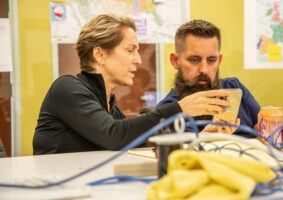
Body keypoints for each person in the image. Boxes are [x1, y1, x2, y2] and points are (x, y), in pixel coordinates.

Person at [33, 14, 230, 155]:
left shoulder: (108, 103)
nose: (138, 60)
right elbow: (113, 135)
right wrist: (180, 108)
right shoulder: (66, 89)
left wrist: (199, 138)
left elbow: (135, 142)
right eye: (130, 50)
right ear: (99, 54)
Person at [157, 19, 260, 135]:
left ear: (219, 60)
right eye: (194, 60)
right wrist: (203, 138)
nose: (204, 69)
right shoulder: (168, 111)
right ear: (175, 61)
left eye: (211, 60)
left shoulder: (234, 88)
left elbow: (263, 127)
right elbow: (183, 151)